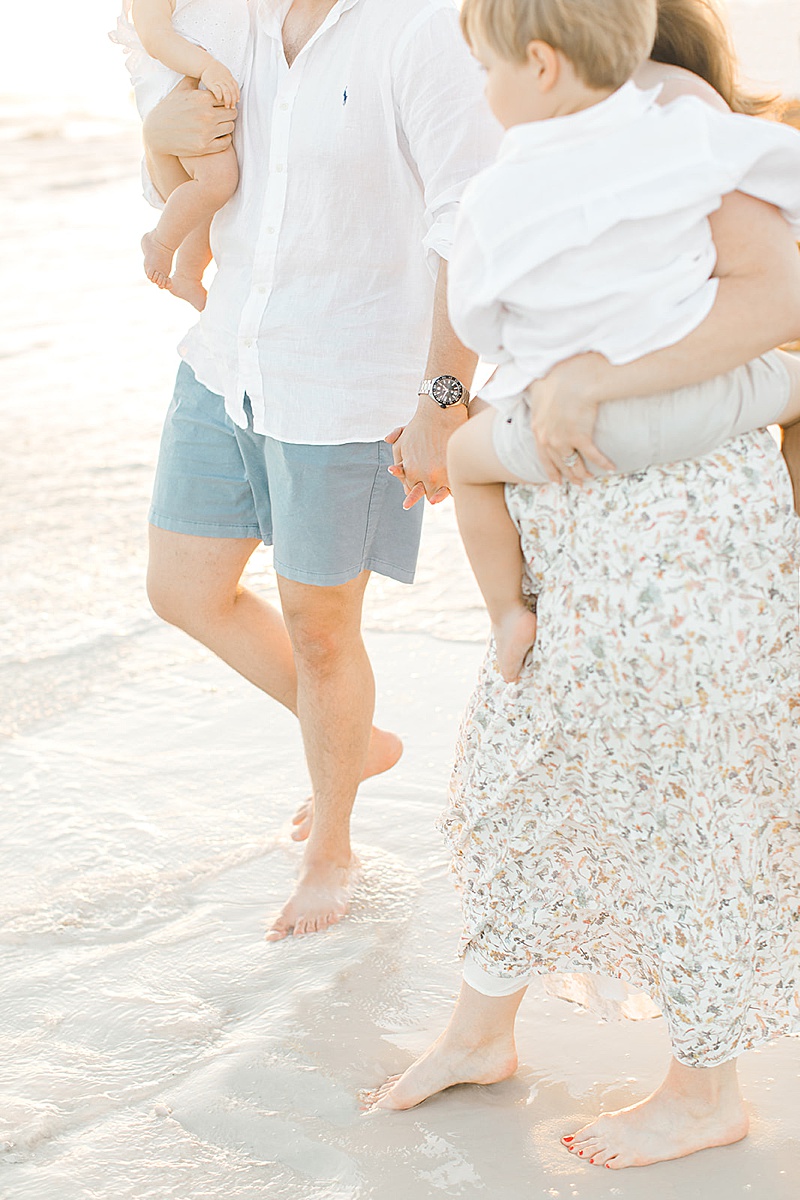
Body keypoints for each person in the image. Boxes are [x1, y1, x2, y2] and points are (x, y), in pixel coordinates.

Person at [362, 0, 800, 1173]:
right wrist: (461, 405)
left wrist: (596, 380)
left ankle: (704, 1089)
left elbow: (775, 301)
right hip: (573, 524)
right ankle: (479, 1031)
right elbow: (476, 321)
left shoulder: (676, 123)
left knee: (689, 796)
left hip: (682, 530)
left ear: (545, 58)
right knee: (521, 771)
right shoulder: (547, 145)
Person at [138, 0, 501, 940]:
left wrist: (443, 397)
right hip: (228, 362)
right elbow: (185, 185)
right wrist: (154, 138)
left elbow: (472, 221)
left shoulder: (421, 29)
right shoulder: (223, 19)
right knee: (182, 587)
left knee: (323, 632)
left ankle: (332, 842)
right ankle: (356, 742)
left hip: (349, 385)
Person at [443, 0, 800, 682]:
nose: (483, 91)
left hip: (575, 441)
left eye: (487, 70)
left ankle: (508, 615)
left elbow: (478, 323)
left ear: (542, 64)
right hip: (707, 402)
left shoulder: (494, 193)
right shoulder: (689, 129)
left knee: (465, 460)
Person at [110, 0, 249, 309]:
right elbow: (155, 37)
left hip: (214, 86)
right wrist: (206, 67)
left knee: (212, 201)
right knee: (217, 180)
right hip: (182, 88)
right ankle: (160, 241)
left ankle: (188, 273)